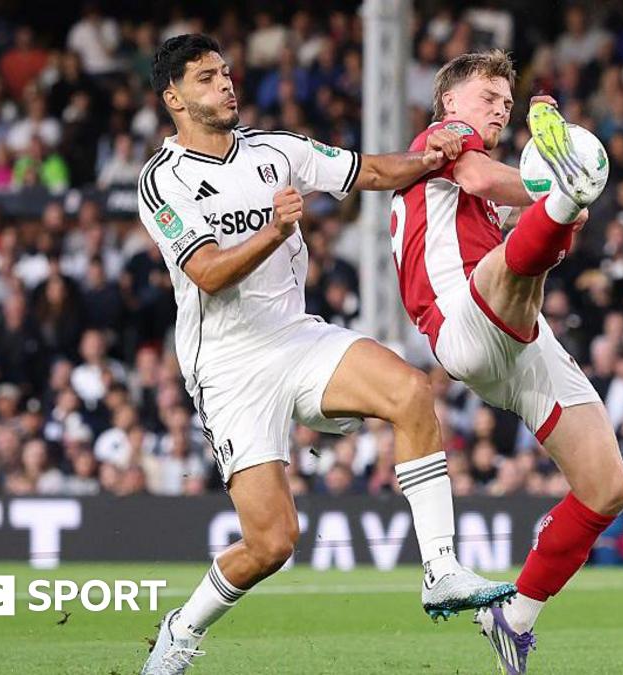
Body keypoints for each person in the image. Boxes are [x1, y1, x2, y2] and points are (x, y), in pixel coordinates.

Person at [137, 36, 513, 675]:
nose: (225, 85)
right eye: (206, 79)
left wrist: (431, 157)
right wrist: (276, 231)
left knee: (411, 392)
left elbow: (371, 171)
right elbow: (206, 273)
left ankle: (440, 569)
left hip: (296, 337)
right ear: (174, 98)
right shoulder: (161, 180)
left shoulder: (277, 151)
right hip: (228, 368)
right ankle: (182, 628)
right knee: (272, 542)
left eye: (226, 73)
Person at [390, 51, 623, 674]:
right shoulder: (443, 140)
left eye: (506, 100)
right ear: (450, 102)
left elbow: (550, 227)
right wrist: (560, 184)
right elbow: (479, 180)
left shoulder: (492, 187)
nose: (499, 107)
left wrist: (560, 200)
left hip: (520, 339)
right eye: (487, 95)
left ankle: (515, 615)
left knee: (607, 490)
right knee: (538, 233)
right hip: (461, 320)